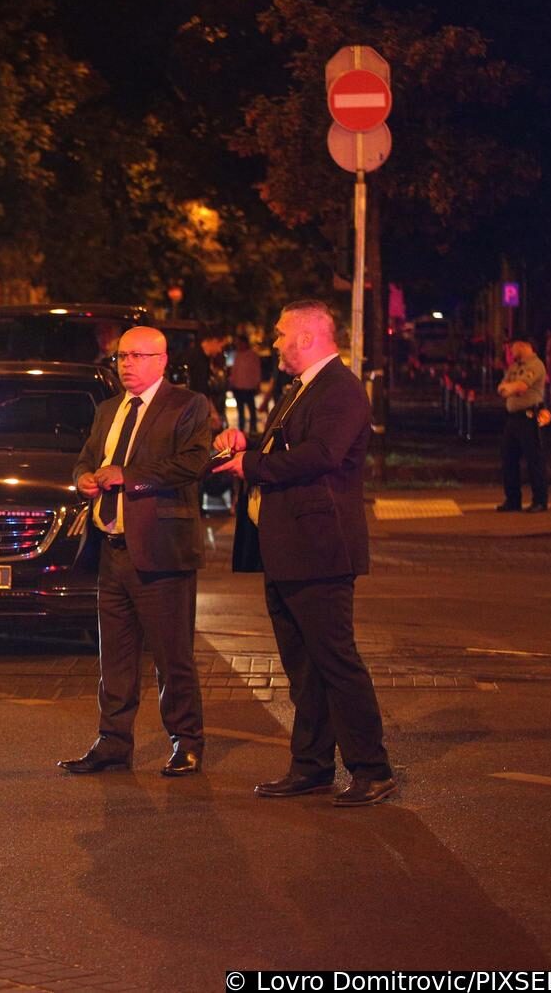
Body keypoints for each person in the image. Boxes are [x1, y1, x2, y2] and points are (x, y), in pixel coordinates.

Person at [213, 299, 395, 807]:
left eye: (279, 335)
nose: (274, 344)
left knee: (335, 660)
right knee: (303, 666)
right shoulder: (302, 389)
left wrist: (253, 463)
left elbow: (321, 455)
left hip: (320, 548)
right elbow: (286, 446)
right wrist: (246, 443)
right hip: (289, 547)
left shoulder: (339, 389)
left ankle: (372, 767)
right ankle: (312, 766)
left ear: (309, 336)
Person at [59, 326, 213, 778]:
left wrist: (130, 476)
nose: (126, 364)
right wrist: (83, 478)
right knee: (116, 656)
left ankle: (186, 741)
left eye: (137, 356)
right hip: (112, 549)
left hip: (162, 552)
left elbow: (193, 463)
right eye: (121, 356)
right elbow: (86, 460)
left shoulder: (187, 405)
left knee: (172, 655)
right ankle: (113, 742)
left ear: (162, 360)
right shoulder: (109, 410)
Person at [495, 337, 548, 513]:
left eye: (513, 346)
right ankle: (513, 500)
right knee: (508, 459)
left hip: (529, 417)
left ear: (524, 345)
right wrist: (509, 388)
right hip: (513, 418)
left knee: (534, 460)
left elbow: (521, 387)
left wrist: (510, 388)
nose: (510, 350)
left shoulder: (535, 365)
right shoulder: (515, 366)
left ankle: (540, 500)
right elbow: (502, 386)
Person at [229, 333, 263, 434]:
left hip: (249, 387)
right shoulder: (237, 355)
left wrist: (257, 384)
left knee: (252, 409)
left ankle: (253, 429)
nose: (238, 345)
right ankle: (242, 430)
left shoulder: (252, 355)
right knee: (240, 411)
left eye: (240, 343)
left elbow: (257, 371)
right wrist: (232, 383)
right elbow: (234, 371)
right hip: (238, 387)